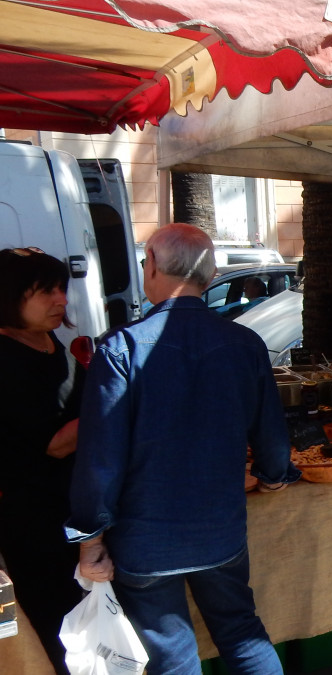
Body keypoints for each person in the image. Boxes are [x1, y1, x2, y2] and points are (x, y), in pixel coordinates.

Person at [66, 224, 300, 674]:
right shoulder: (245, 343)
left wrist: (90, 536)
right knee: (241, 632)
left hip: (144, 538)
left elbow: (101, 457)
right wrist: (274, 475)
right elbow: (271, 433)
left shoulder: (121, 348)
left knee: (172, 655)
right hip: (219, 528)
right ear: (210, 273)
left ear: (151, 264)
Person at [0, 247, 86, 675]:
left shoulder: (50, 341)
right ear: (10, 295)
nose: (62, 300)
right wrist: (117, 403)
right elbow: (54, 443)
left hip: (71, 508)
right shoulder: (4, 359)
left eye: (62, 289)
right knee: (58, 625)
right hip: (32, 520)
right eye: (47, 291)